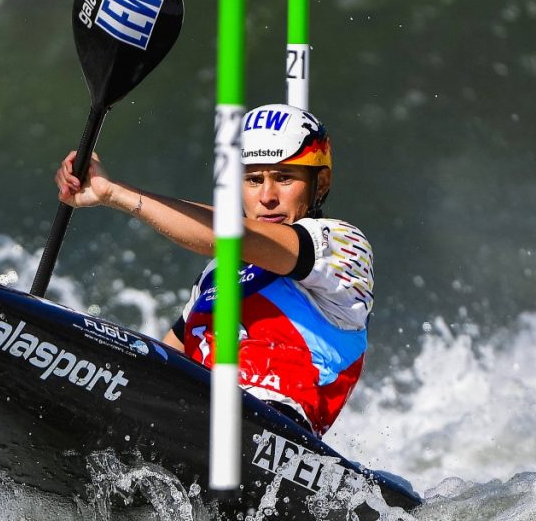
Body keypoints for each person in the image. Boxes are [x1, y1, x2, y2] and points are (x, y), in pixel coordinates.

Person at [54, 103, 371, 438]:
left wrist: (113, 192)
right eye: (253, 179)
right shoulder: (214, 277)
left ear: (320, 184)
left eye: (283, 178)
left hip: (273, 428)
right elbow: (154, 366)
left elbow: (228, 236)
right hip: (191, 420)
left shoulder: (341, 249)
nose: (267, 196)